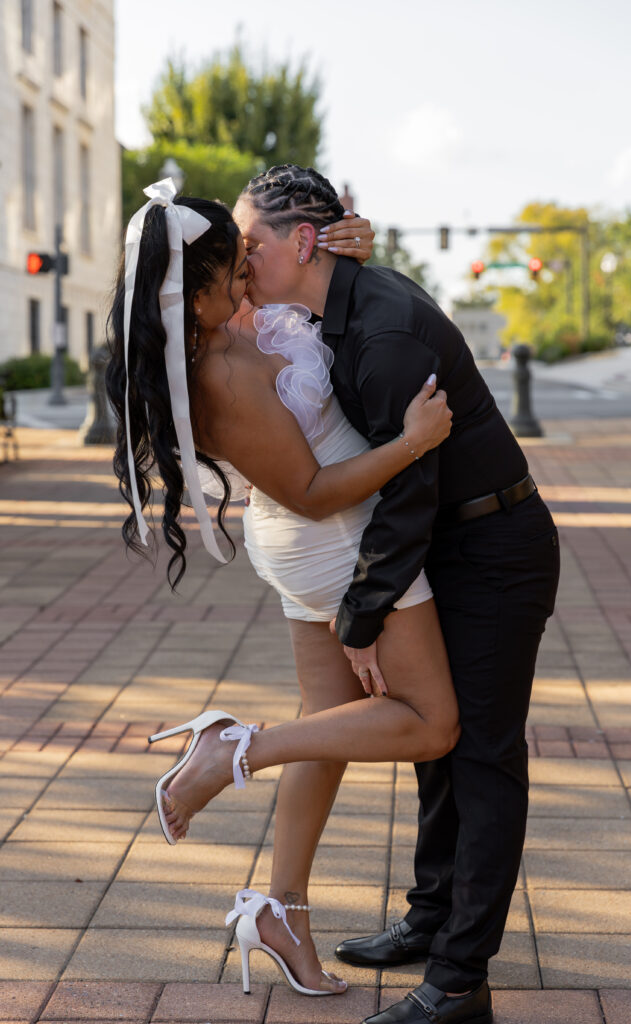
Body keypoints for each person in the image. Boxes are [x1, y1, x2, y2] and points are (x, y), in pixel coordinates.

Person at [106, 176, 458, 999]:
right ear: (188, 294)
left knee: (329, 734)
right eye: (229, 277)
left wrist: (348, 248)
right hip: (331, 535)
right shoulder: (220, 375)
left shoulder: (220, 324)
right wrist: (414, 442)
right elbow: (311, 489)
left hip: (312, 539)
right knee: (429, 723)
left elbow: (308, 284)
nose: (243, 287)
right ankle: (236, 748)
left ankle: (279, 913)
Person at [229, 165, 561, 1024]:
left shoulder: (382, 335)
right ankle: (429, 918)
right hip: (444, 537)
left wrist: (363, 618)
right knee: (436, 749)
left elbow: (407, 490)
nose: (238, 259)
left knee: (481, 754)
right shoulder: (328, 301)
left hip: (493, 544)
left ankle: (458, 981)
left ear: (302, 243)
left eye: (250, 244)